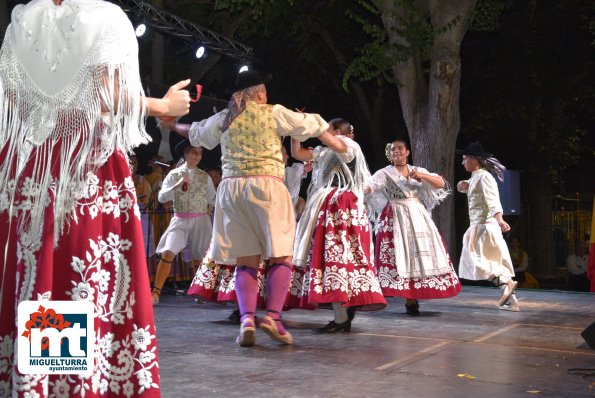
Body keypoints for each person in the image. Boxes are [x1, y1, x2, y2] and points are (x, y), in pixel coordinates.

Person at [0, 0, 192, 396]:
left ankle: (42, 383)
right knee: (78, 279)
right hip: (86, 170)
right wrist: (163, 106)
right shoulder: (104, 15)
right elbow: (106, 96)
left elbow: (14, 103)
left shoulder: (22, 19)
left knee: (45, 279)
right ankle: (72, 385)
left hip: (31, 172)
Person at [161, 69, 340, 347]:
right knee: (281, 256)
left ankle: (246, 318)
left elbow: (195, 133)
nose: (267, 94)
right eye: (264, 90)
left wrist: (172, 125)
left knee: (246, 260)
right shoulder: (272, 112)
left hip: (232, 190)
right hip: (266, 187)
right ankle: (272, 318)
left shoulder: (225, 118)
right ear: (259, 93)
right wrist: (336, 142)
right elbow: (309, 124)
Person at [287, 118, 387, 333]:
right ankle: (343, 313)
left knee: (340, 256)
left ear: (336, 131)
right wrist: (295, 130)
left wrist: (315, 128)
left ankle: (344, 313)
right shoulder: (324, 151)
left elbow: (337, 145)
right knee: (330, 257)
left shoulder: (349, 145)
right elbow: (298, 153)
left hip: (342, 206)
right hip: (327, 205)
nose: (324, 132)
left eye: (327, 129)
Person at [366, 139, 461, 315]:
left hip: (416, 214)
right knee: (401, 254)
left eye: (400, 149)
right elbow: (371, 186)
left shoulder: (418, 170)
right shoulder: (385, 172)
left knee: (419, 253)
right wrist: (364, 190)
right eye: (393, 150)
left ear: (407, 152)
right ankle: (408, 297)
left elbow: (440, 183)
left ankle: (413, 296)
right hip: (395, 215)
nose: (396, 152)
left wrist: (422, 176)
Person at [457, 142, 520, 311]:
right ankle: (511, 300)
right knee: (490, 262)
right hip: (481, 226)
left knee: (475, 261)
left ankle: (506, 282)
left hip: (484, 227)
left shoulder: (484, 176)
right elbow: (476, 191)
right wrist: (465, 185)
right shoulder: (477, 176)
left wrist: (499, 219)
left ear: (474, 160)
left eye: (464, 159)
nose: (462, 163)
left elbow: (492, 199)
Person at [152, 140, 216, 305]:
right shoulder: (174, 175)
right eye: (194, 152)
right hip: (180, 219)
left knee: (200, 257)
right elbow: (161, 197)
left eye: (199, 153)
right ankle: (156, 293)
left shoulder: (204, 176)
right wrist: (176, 185)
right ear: (186, 154)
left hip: (201, 220)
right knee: (168, 252)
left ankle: (200, 292)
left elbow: (213, 199)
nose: (197, 156)